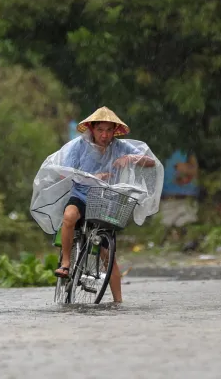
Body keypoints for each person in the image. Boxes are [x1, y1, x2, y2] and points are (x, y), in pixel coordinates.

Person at [54, 107, 156, 303]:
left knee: (107, 252)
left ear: (114, 131)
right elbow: (63, 172)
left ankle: (118, 301)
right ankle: (66, 263)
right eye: (100, 130)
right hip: (81, 196)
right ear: (92, 129)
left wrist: (131, 158)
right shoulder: (79, 146)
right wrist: (91, 177)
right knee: (69, 217)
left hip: (105, 201)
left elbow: (150, 161)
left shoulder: (119, 147)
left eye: (109, 130)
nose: (105, 135)